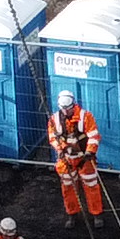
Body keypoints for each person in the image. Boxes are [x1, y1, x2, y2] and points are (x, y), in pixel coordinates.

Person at [48, 96, 108, 232]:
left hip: (84, 158)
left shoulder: (85, 117)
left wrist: (89, 152)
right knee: (68, 186)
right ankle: (72, 214)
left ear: (73, 106)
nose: (66, 112)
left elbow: (93, 136)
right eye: (63, 109)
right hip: (66, 159)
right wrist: (60, 149)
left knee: (91, 185)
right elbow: (52, 137)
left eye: (68, 109)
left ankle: (96, 214)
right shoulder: (54, 119)